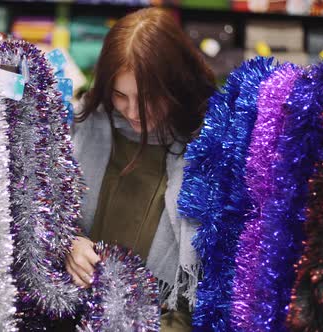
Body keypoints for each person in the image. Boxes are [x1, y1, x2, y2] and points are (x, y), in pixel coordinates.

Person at [64, 7, 215, 331]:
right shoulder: (86, 124)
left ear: (176, 84)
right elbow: (46, 215)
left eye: (148, 98)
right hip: (75, 313)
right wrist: (69, 243)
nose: (134, 112)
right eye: (120, 95)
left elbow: (199, 286)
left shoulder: (208, 147)